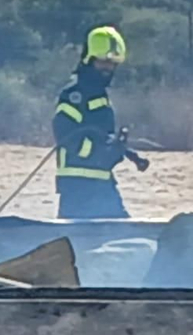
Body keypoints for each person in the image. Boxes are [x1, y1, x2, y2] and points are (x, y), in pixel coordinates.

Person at [53, 25, 145, 219]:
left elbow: (102, 137)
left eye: (112, 64)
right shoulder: (73, 95)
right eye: (103, 62)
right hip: (77, 188)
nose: (108, 69)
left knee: (124, 236)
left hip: (102, 184)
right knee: (79, 242)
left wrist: (118, 149)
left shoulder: (100, 96)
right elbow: (67, 137)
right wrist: (101, 151)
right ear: (89, 59)